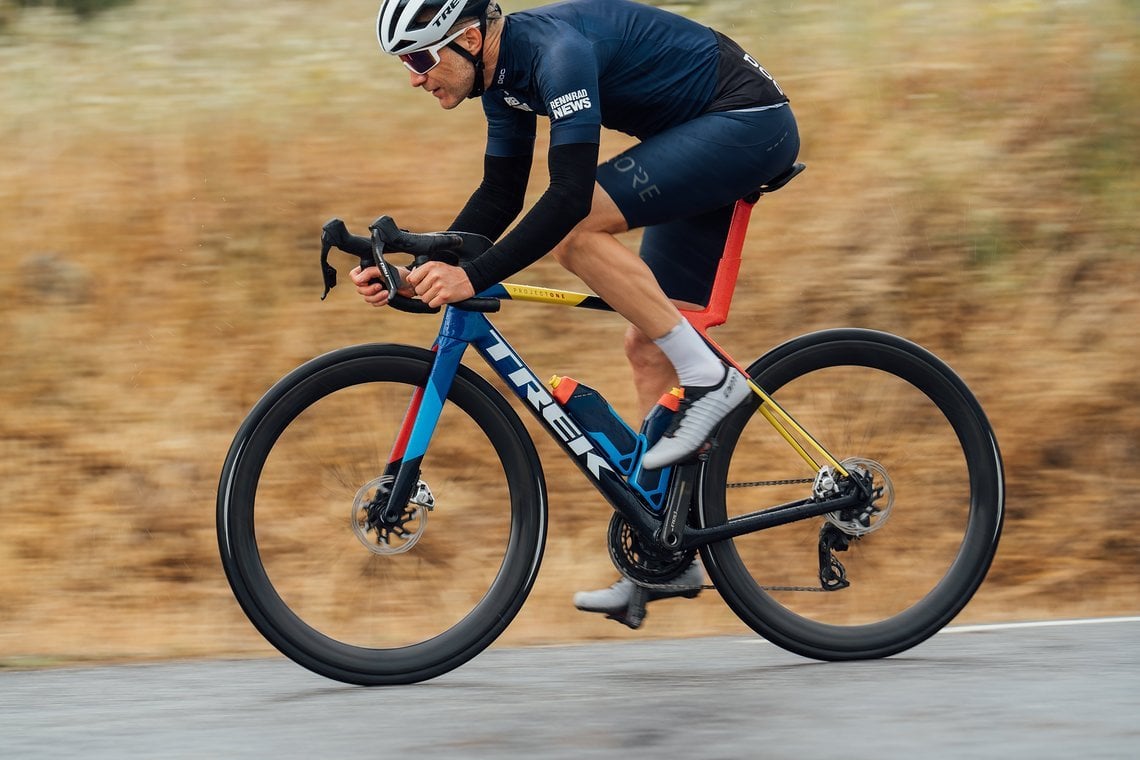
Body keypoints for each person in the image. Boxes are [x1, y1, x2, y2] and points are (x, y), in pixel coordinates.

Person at [352, 0, 800, 627]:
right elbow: (500, 197)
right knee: (649, 346)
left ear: (471, 39)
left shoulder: (557, 55)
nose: (415, 78)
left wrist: (472, 275)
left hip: (747, 123)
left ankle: (714, 381)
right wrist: (415, 275)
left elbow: (565, 197)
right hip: (697, 135)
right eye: (406, 63)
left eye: (421, 59)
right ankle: (668, 552)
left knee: (577, 231)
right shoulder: (503, 79)